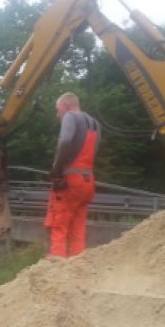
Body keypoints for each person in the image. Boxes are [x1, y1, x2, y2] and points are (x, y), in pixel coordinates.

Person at [44, 92, 101, 258]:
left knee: (59, 223)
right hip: (88, 182)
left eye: (58, 109)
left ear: (66, 105)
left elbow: (65, 141)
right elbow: (94, 151)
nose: (57, 114)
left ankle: (55, 264)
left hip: (70, 181)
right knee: (77, 228)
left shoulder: (70, 116)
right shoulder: (95, 124)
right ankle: (76, 266)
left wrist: (57, 169)